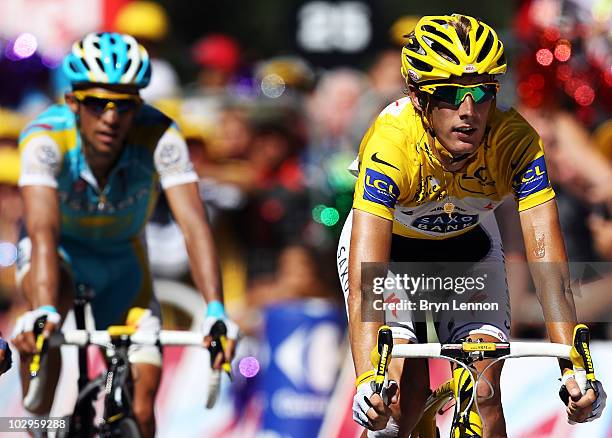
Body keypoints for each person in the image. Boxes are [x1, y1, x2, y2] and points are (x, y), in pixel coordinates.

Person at [336, 14, 606, 438]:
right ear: (417, 96)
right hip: (390, 259)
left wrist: (573, 367)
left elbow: (548, 263)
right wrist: (369, 378)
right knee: (398, 395)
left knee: (485, 392)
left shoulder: (516, 141)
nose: (468, 112)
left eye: (482, 93)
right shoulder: (390, 144)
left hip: (467, 250)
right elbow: (367, 280)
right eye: (449, 94)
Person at [10, 32, 238, 437]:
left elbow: (194, 223)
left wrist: (216, 310)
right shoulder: (44, 138)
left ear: (139, 106)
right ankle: (36, 422)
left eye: (124, 106)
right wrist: (42, 309)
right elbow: (43, 230)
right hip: (58, 258)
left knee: (144, 407)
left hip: (122, 266)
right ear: (73, 102)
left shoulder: (161, 134)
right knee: (49, 332)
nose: (111, 118)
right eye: (98, 104)